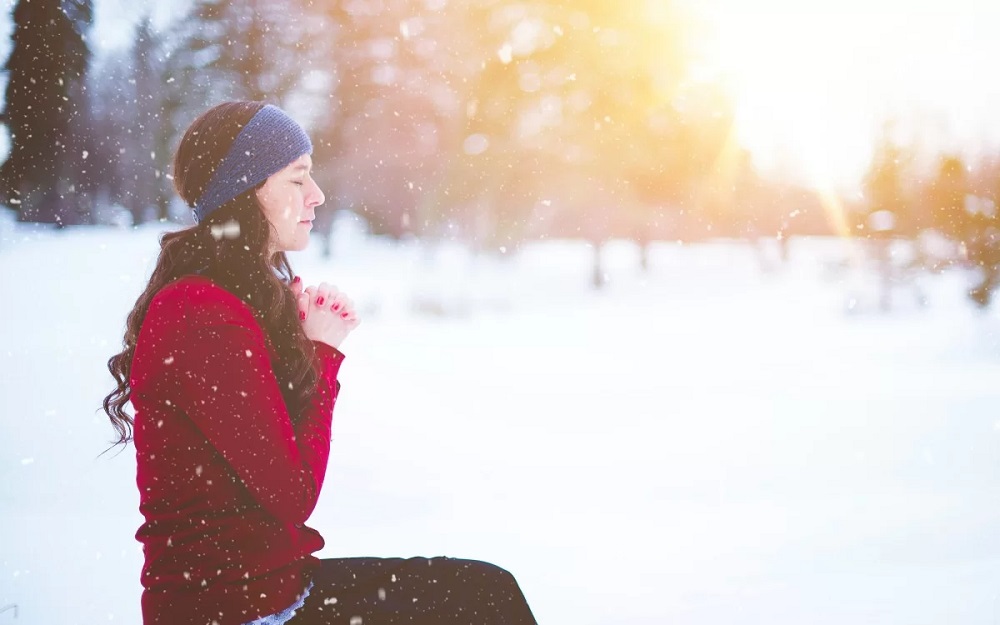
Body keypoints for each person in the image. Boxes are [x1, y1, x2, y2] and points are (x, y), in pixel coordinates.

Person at [102, 101, 538, 625]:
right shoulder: (202, 314)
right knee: (481, 601)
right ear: (248, 189)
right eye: (297, 179)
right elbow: (292, 494)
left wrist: (304, 346)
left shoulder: (231, 300)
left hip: (278, 591)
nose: (317, 196)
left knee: (485, 593)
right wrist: (323, 355)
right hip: (235, 612)